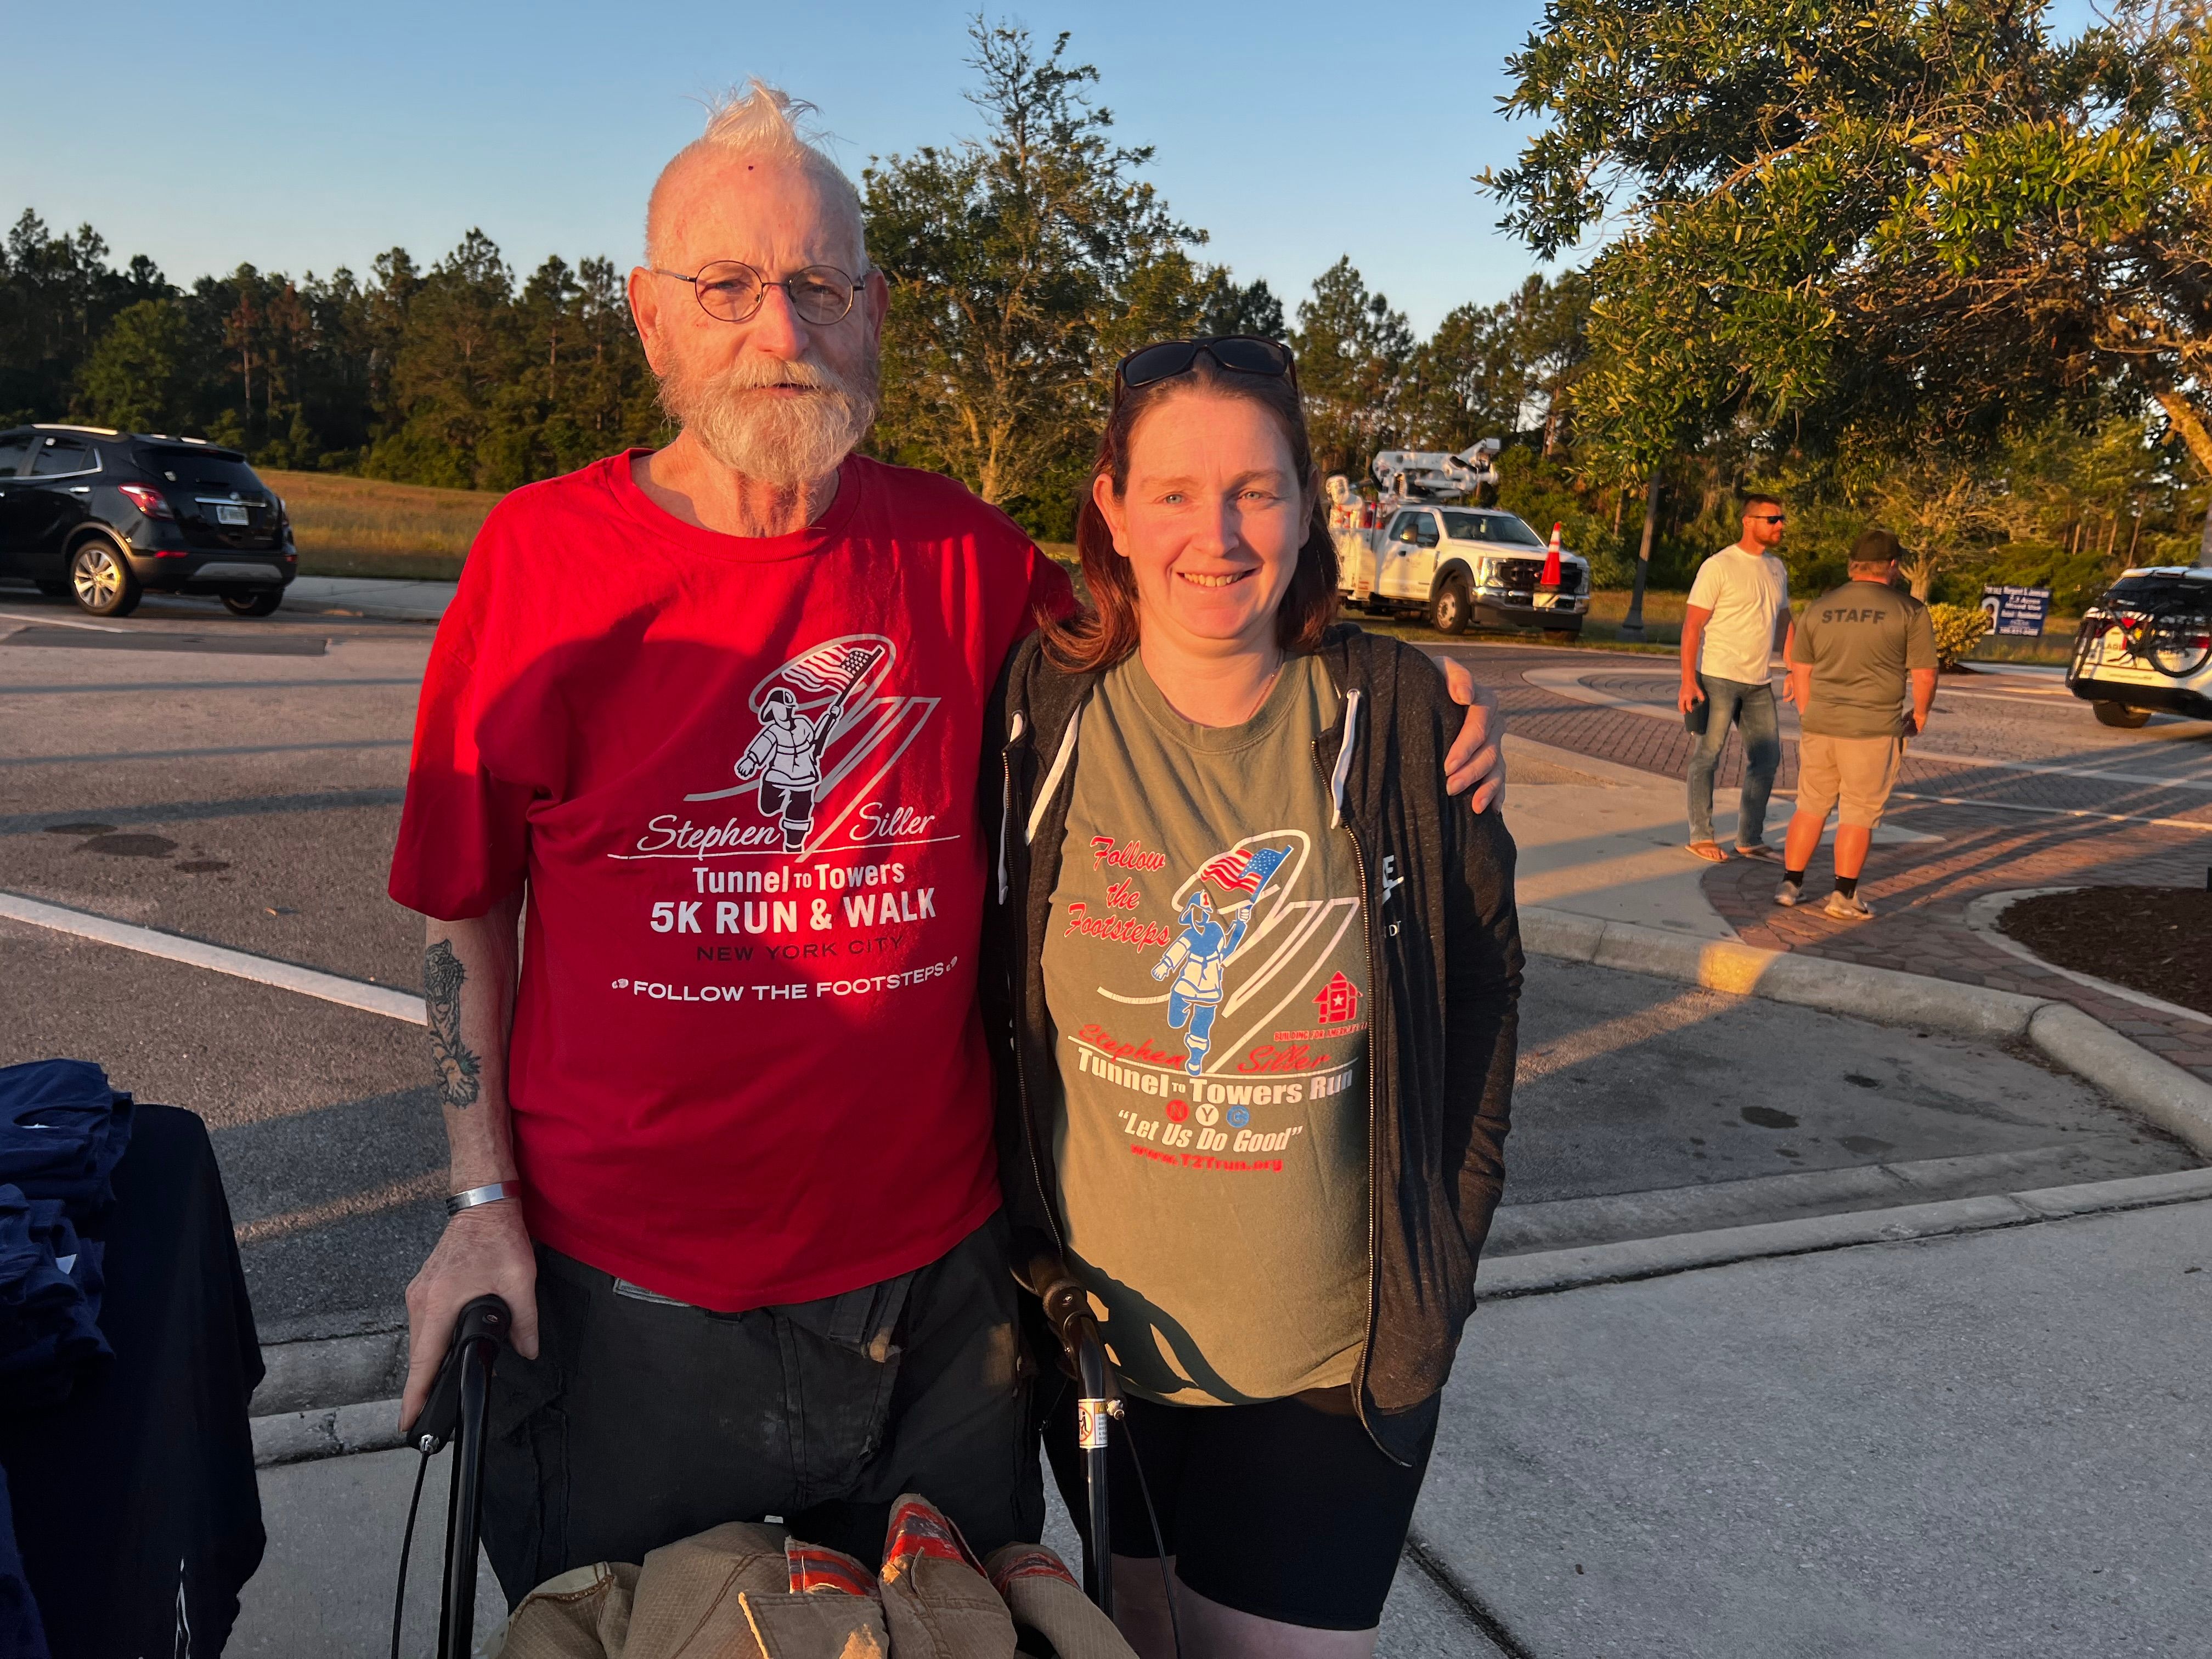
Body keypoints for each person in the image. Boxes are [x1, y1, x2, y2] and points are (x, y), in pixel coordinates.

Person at [386, 85, 1509, 1600]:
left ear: (875, 314)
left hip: (943, 1315)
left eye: (820, 286)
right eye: (726, 286)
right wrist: (475, 1207)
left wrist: (1400, 680)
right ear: (652, 318)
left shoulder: (968, 560)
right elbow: (464, 909)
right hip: (626, 1306)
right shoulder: (540, 561)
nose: (777, 330)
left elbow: (1189, 602)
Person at [984, 337, 1523, 1659]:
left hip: (1328, 1374)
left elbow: (1485, 1009)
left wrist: (1439, 1275)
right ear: (1111, 506)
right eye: (1172, 491)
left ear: (1310, 506)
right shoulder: (1041, 710)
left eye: (1256, 490)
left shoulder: (1406, 719)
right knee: (1141, 1634)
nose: (1215, 536)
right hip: (1102, 1356)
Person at [1775, 529, 1938, 919]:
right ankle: (1843, 897)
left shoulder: (1819, 607)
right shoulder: (1910, 611)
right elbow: (1926, 674)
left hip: (1820, 723)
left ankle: (1790, 884)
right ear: (1894, 565)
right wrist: (1920, 714)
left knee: (1810, 806)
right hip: (1874, 728)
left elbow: (1801, 666)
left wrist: (1808, 713)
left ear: (1853, 564)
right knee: (1858, 813)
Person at [1677, 493, 1792, 861]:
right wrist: (1687, 680)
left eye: (1781, 519)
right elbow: (1693, 626)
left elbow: (1786, 622)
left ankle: (1750, 838)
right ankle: (1701, 835)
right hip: (1718, 677)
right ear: (1748, 521)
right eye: (1772, 519)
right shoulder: (1719, 566)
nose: (1781, 525)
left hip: (1760, 682)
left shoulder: (1777, 568)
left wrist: (1793, 668)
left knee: (1768, 758)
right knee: (1708, 755)